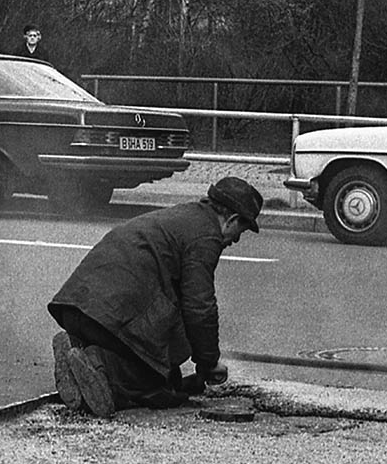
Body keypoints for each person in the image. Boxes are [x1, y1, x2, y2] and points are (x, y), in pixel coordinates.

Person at [47, 176, 263, 417]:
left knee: (165, 369)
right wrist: (209, 363)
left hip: (78, 308)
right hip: (106, 318)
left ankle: (77, 350)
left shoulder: (184, 216)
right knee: (153, 386)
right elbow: (199, 307)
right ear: (232, 219)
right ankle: (100, 364)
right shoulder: (206, 236)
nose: (236, 240)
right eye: (241, 230)